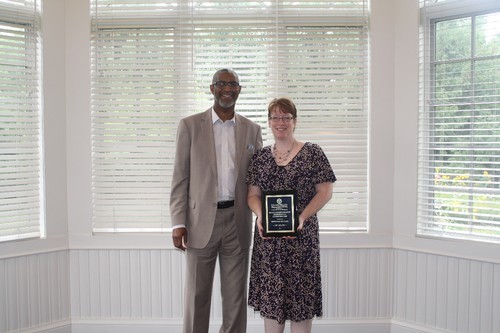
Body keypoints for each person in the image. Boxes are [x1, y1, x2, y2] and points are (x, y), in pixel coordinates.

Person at [170, 68, 263, 333]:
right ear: (212, 89)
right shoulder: (189, 126)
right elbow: (180, 176)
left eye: (233, 84)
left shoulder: (252, 130)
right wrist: (178, 222)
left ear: (239, 90)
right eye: (221, 84)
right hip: (199, 223)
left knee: (235, 300)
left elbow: (259, 178)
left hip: (238, 222)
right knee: (197, 297)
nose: (227, 89)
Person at [246, 97, 336, 333]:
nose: (280, 122)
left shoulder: (313, 152)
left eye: (286, 117)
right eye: (275, 117)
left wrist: (302, 217)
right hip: (269, 244)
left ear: (294, 121)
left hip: (302, 241)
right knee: (272, 310)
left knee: (301, 307)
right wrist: (260, 216)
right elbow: (252, 195)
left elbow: (325, 191)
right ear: (269, 122)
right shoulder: (260, 157)